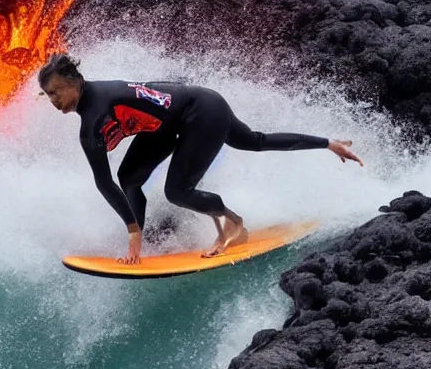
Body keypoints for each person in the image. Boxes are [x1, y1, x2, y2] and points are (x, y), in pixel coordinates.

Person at [37, 53, 363, 264]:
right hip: (168, 124)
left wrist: (131, 231)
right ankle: (143, 239)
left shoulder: (101, 105)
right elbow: (104, 182)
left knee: (183, 188)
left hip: (201, 109)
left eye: (56, 91)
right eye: (48, 95)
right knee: (130, 177)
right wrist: (132, 230)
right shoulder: (87, 125)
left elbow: (103, 179)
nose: (53, 100)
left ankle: (233, 223)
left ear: (74, 82)